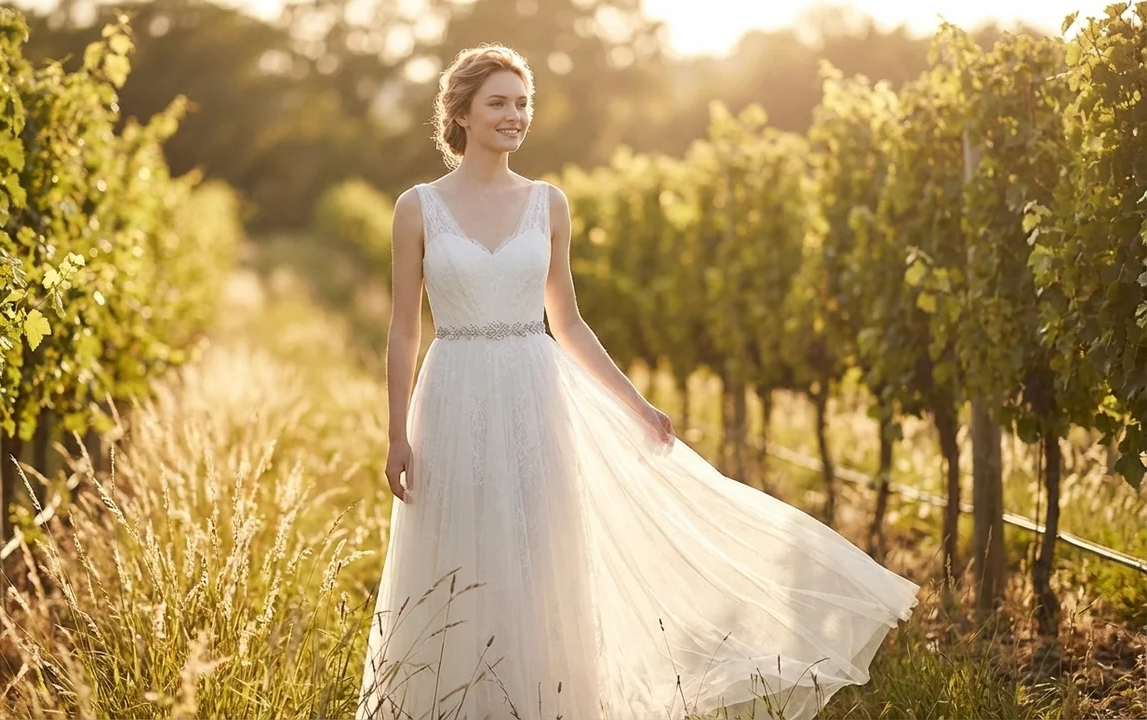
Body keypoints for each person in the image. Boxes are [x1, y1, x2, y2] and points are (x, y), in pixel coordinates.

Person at [356, 43, 920, 720]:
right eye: (499, 103)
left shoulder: (548, 204)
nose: (515, 115)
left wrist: (635, 404)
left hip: (536, 396)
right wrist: (396, 435)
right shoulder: (416, 208)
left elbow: (567, 321)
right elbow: (402, 331)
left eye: (523, 102)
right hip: (451, 395)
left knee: (541, 562)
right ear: (463, 114)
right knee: (457, 558)